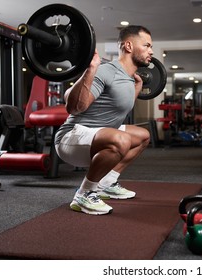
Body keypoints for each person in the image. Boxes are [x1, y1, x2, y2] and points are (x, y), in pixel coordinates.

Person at [54, 25, 153, 215]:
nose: (151, 51)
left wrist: (137, 88)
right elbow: (75, 107)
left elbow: (118, 109)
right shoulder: (107, 71)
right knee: (122, 140)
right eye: (147, 45)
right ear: (129, 46)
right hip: (71, 138)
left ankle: (106, 183)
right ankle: (84, 193)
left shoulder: (130, 78)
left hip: (97, 135)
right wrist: (91, 68)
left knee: (142, 136)